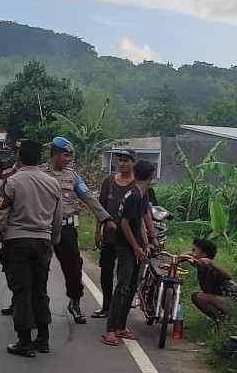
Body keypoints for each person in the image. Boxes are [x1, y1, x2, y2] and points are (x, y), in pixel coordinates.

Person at [0, 139, 63, 358]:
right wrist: (52, 243)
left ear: (19, 157)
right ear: (40, 159)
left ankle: (24, 342)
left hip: (17, 242)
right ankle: (43, 339)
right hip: (42, 243)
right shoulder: (53, 183)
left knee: (22, 291)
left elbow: (0, 216)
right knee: (40, 290)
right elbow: (57, 219)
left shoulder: (12, 182)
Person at [43, 136, 116, 324]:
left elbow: (89, 197)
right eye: (66, 156)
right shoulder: (40, 174)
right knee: (38, 268)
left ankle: (74, 302)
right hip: (42, 229)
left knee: (74, 268)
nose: (69, 160)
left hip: (66, 229)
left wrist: (105, 217)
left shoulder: (72, 176)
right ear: (56, 155)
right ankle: (37, 305)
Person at [101, 160, 155, 346]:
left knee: (132, 286)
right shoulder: (133, 196)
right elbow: (124, 223)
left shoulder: (139, 194)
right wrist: (136, 247)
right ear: (151, 177)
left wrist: (146, 242)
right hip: (125, 247)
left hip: (136, 246)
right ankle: (110, 330)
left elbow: (139, 221)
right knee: (123, 286)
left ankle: (121, 326)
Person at [92, 149, 136, 319]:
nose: (122, 164)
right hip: (109, 237)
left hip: (128, 239)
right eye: (120, 160)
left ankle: (120, 310)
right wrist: (98, 231)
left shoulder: (137, 185)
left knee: (124, 275)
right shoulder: (109, 182)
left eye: (126, 160)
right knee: (106, 272)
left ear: (133, 163)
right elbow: (100, 208)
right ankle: (106, 306)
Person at [0, 139, 24, 316]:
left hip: (33, 231)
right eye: (17, 151)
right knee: (11, 270)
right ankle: (16, 300)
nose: (19, 154)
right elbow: (0, 207)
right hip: (10, 232)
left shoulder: (43, 176)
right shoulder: (7, 174)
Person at [188, 238, 237, 322]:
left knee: (200, 298)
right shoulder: (200, 265)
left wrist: (211, 263)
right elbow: (185, 256)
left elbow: (228, 275)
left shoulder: (213, 269)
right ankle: (222, 320)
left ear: (203, 255)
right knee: (195, 296)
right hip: (221, 299)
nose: (191, 253)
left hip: (235, 303)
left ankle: (221, 322)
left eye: (194, 250)